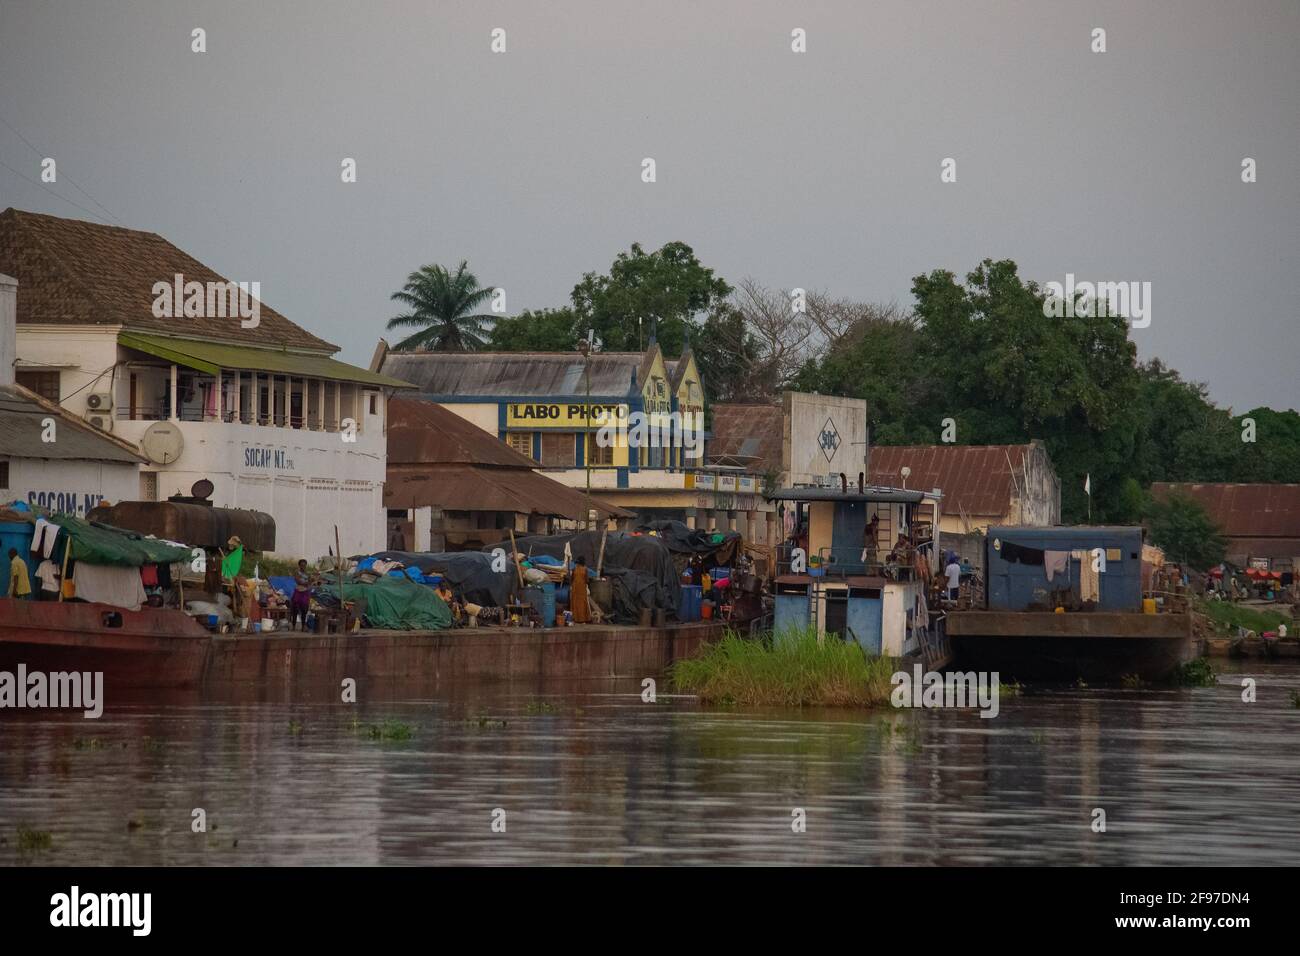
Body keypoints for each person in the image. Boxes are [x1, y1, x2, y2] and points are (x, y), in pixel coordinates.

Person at [290, 559, 314, 631]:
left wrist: (310, 582)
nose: (303, 566)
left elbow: (310, 582)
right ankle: (293, 626)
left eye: (304, 565)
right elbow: (298, 582)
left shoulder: (308, 574)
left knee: (304, 610)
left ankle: (303, 626)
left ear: (306, 565)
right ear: (299, 566)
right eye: (302, 565)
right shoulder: (297, 573)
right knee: (295, 609)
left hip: (305, 592)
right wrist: (308, 582)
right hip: (298, 591)